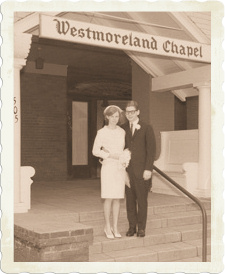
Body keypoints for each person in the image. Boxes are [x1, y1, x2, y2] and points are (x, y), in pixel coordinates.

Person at [92, 105, 129, 239]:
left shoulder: (121, 132)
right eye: (112, 116)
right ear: (107, 117)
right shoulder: (102, 132)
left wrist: (124, 157)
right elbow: (95, 151)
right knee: (108, 197)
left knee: (118, 198)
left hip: (119, 167)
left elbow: (124, 148)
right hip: (108, 166)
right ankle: (107, 226)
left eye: (117, 116)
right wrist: (109, 156)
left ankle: (115, 226)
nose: (115, 119)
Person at [122, 100, 156, 237]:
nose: (129, 114)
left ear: (138, 112)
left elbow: (151, 150)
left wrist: (148, 169)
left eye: (132, 112)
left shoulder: (147, 127)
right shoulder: (122, 128)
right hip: (127, 171)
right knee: (130, 201)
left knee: (142, 201)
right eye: (127, 112)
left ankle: (141, 228)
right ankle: (132, 227)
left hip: (142, 171)